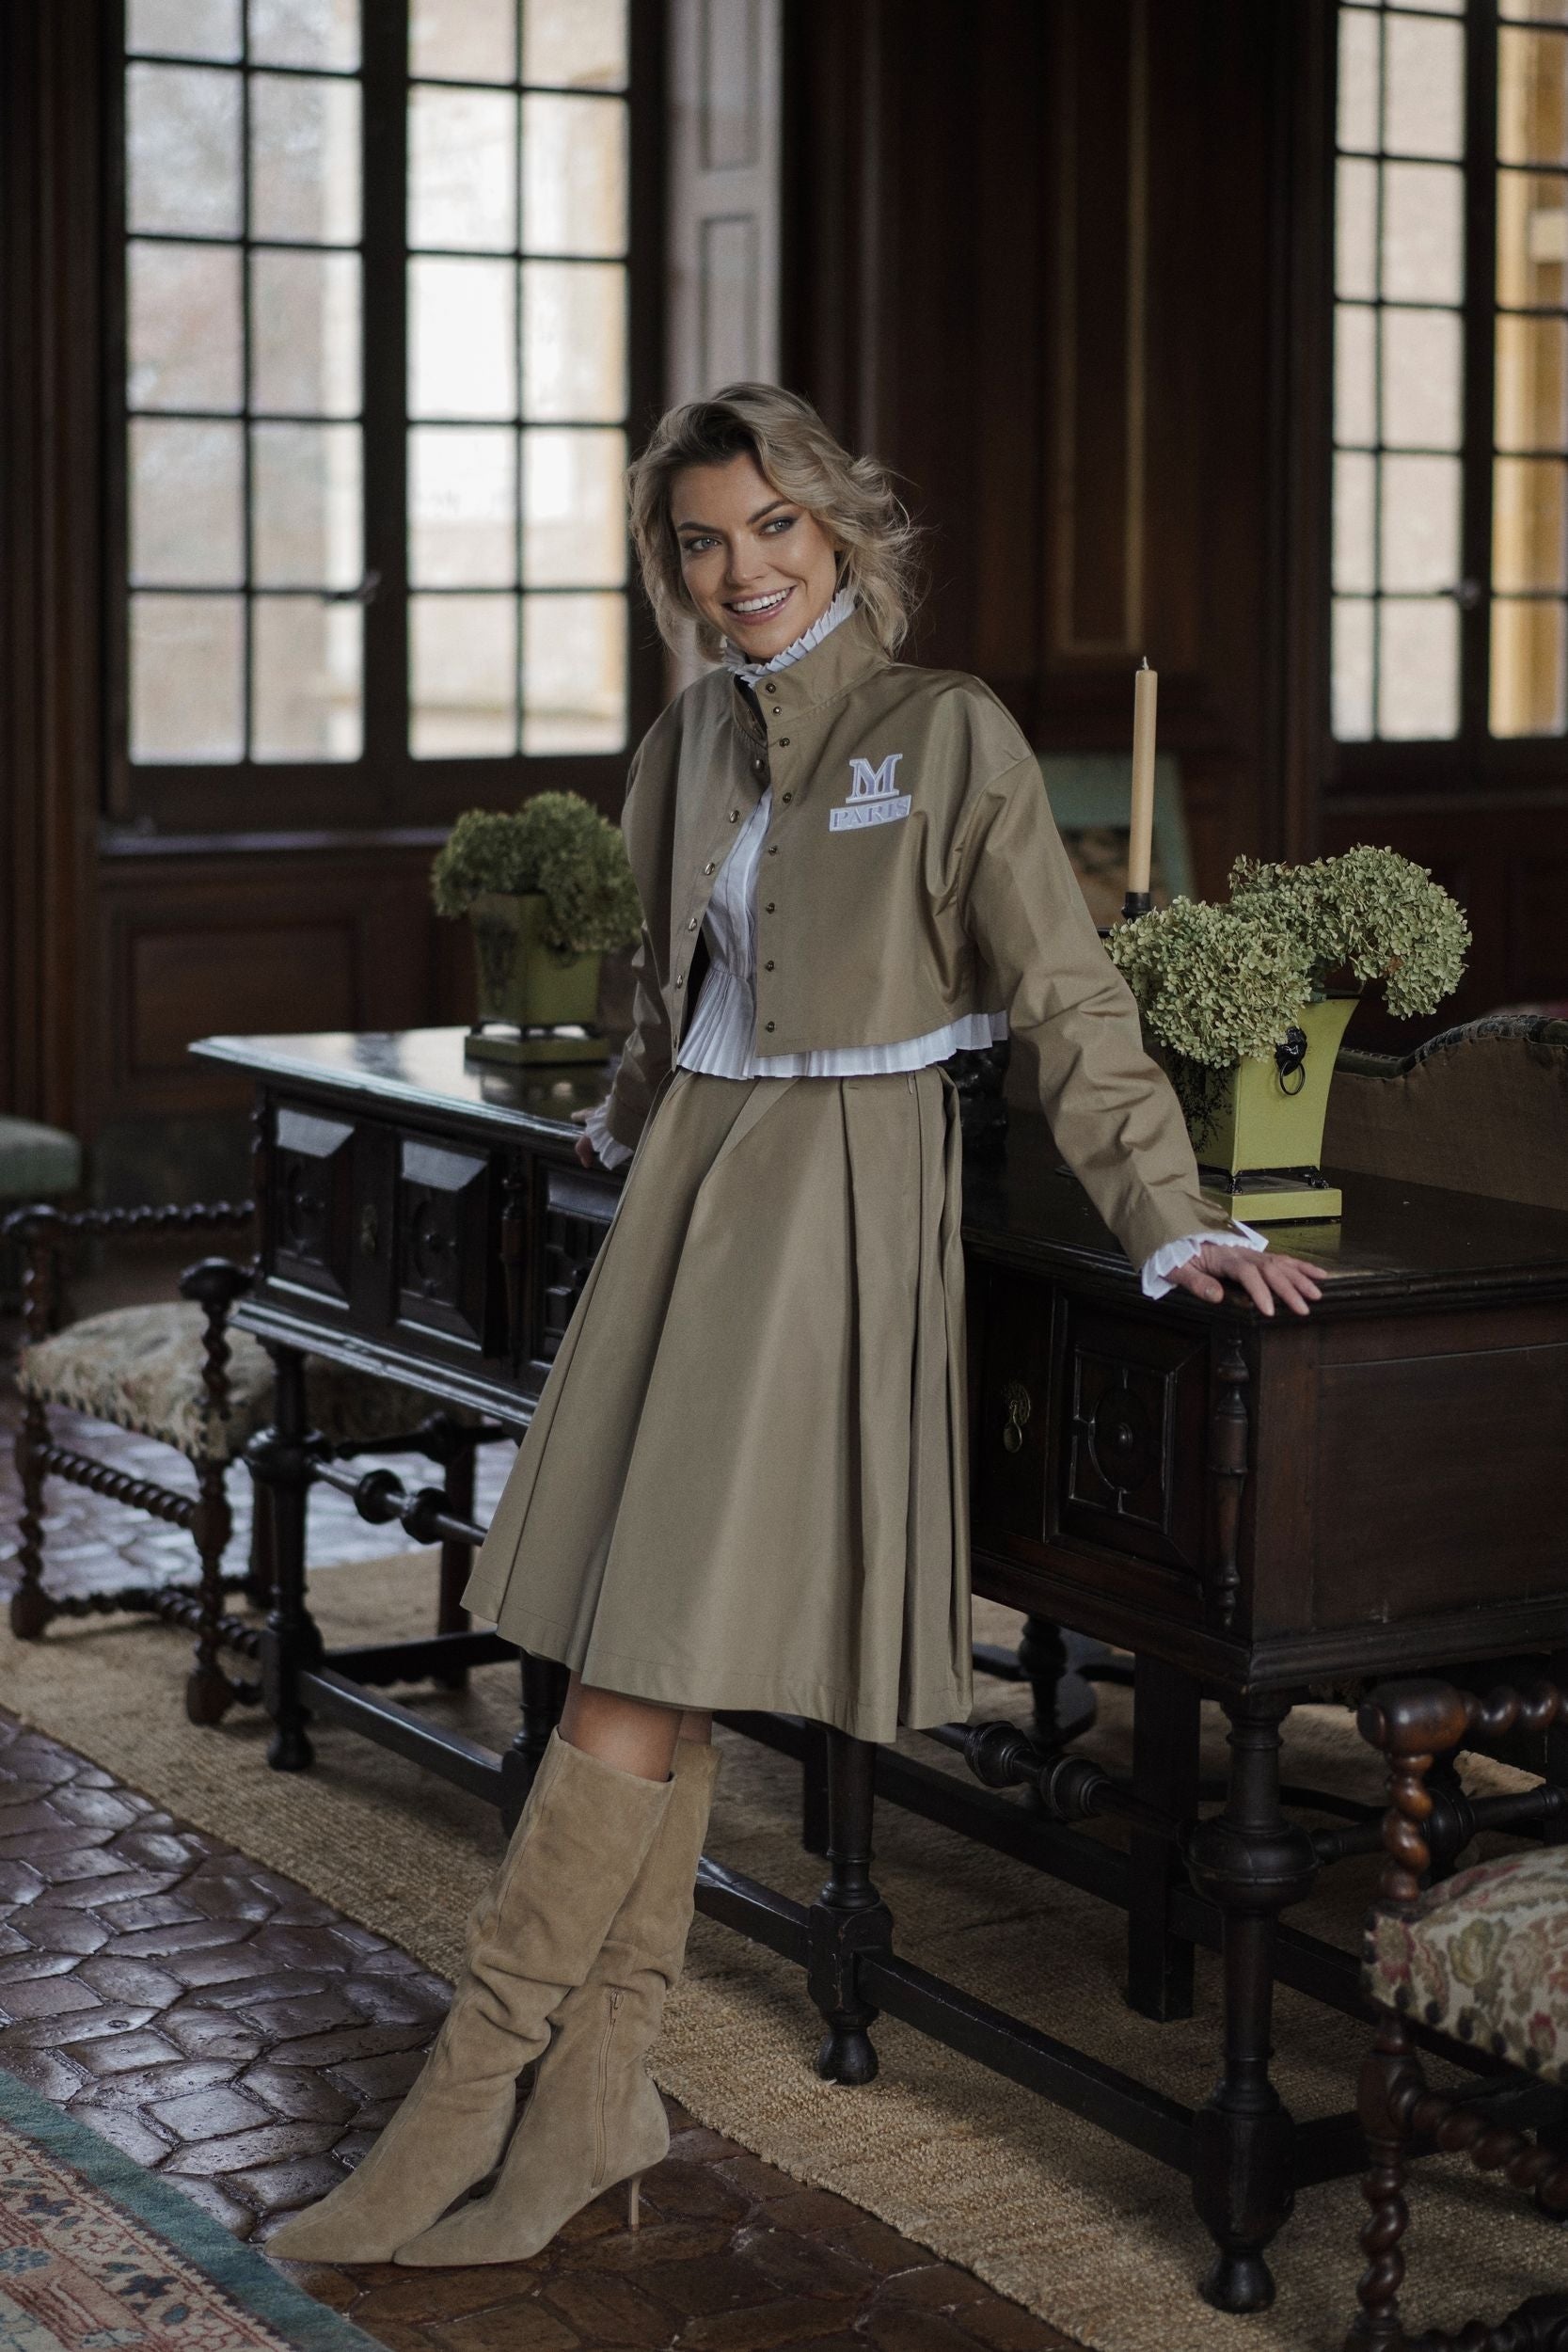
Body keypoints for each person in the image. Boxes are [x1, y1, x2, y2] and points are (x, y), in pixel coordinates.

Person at [270, 384, 1324, 2272]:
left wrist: (1177, 1219)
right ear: (670, 565)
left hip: (838, 1200)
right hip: (692, 1192)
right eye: (701, 539)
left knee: (639, 1649)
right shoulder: (683, 744)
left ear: (838, 529)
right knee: (627, 1635)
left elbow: (1070, 998)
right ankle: (597, 2094)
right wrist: (610, 1121)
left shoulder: (945, 735)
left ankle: (469, 2094)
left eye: (773, 527)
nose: (740, 568)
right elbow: (666, 994)